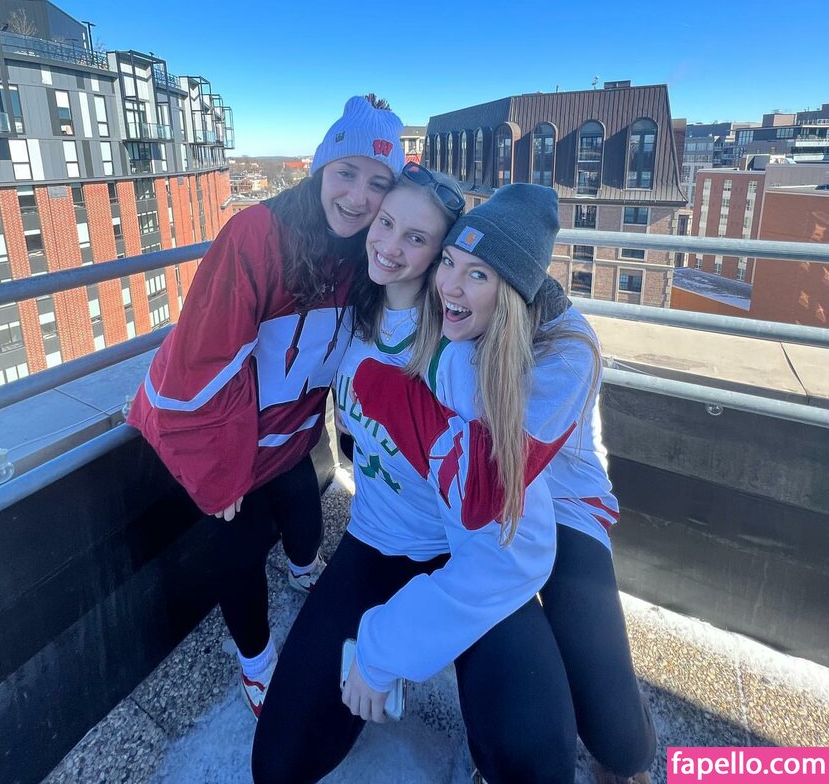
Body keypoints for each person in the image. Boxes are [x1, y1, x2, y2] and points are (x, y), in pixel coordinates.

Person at [253, 181, 655, 784]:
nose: (394, 248)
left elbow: (497, 519)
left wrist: (386, 647)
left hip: (538, 510)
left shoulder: (514, 352)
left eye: (419, 239)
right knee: (280, 760)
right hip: (420, 529)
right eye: (449, 263)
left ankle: (611, 736)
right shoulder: (367, 306)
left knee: (604, 740)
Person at [126, 94, 404, 718]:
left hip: (290, 431)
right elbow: (204, 361)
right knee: (238, 546)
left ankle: (303, 570)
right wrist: (221, 469)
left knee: (304, 516)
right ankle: (255, 665)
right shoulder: (257, 235)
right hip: (232, 434)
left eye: (378, 183)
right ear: (321, 168)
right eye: (347, 173)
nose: (359, 197)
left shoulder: (370, 256)